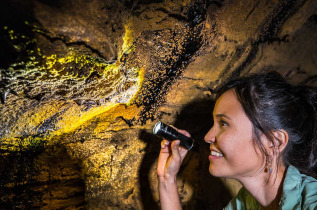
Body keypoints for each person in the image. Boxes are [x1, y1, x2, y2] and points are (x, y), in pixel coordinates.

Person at [157, 71, 317, 210]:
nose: (207, 137)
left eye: (224, 123)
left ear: (273, 142)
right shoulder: (245, 204)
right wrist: (166, 178)